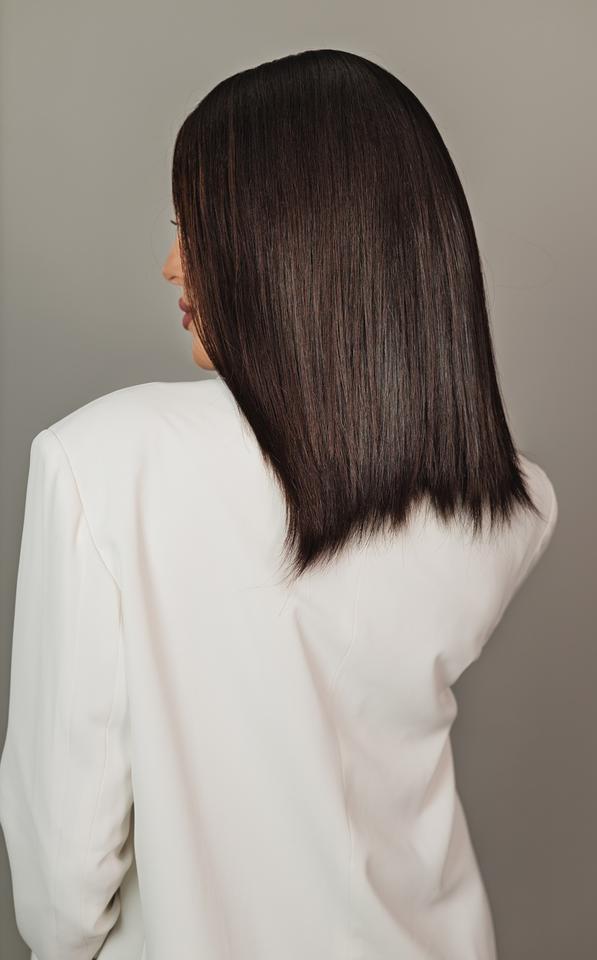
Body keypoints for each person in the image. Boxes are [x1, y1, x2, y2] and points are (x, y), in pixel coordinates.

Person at [0, 49, 558, 960]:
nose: (171, 266)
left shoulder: (100, 460)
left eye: (197, 229)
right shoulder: (506, 498)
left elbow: (62, 886)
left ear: (293, 244)